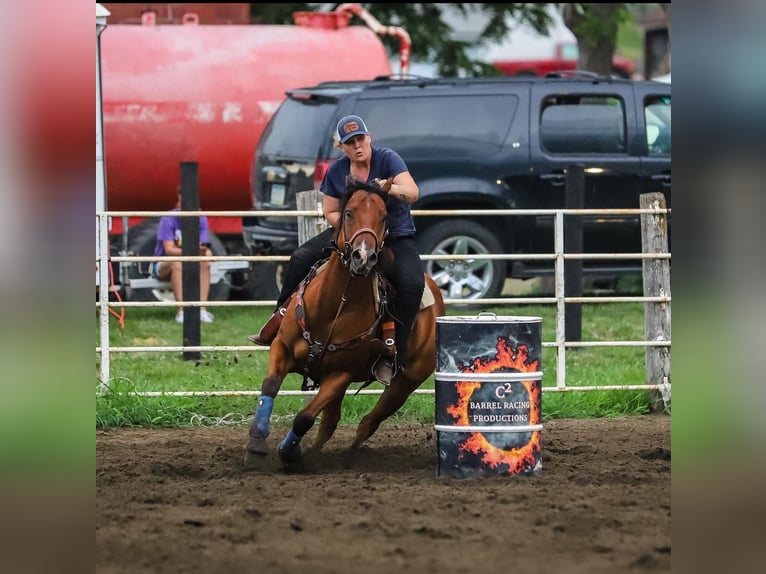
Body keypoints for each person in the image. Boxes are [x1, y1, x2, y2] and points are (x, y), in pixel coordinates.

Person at [249, 114, 424, 385]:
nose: (357, 145)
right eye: (350, 142)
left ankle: (393, 351)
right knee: (300, 258)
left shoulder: (388, 159)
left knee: (412, 283)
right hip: (349, 234)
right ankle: (279, 321)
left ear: (369, 138)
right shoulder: (337, 170)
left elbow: (412, 192)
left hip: (394, 235)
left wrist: (389, 187)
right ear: (341, 147)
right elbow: (330, 211)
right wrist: (349, 233)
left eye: (360, 139)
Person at [153, 190, 215, 323]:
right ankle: (182, 312)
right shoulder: (168, 218)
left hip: (188, 259)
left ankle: (202, 310)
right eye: (182, 202)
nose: (184, 206)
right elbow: (169, 250)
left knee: (205, 261)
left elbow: (202, 246)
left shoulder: (200, 217)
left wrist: (205, 252)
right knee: (177, 262)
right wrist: (195, 251)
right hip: (162, 264)